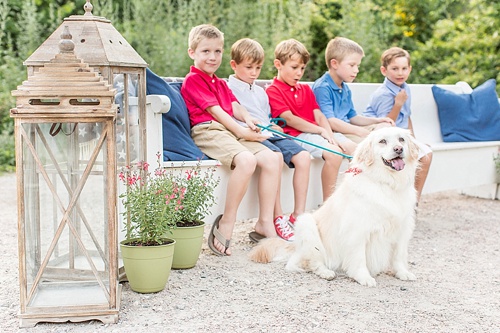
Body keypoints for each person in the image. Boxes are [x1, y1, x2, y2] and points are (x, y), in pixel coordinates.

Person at [180, 24, 290, 257]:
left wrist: (249, 121)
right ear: (192, 53)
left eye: (217, 51)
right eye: (205, 51)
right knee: (247, 160)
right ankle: (227, 221)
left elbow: (234, 107)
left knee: (273, 158)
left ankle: (264, 223)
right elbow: (217, 112)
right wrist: (242, 133)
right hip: (208, 130)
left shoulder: (219, 82)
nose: (212, 57)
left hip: (228, 129)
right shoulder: (193, 80)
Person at [227, 38, 311, 235]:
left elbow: (265, 117)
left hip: (269, 133)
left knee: (304, 156)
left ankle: (298, 215)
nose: (254, 73)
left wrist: (273, 125)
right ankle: (278, 217)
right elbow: (234, 118)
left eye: (258, 68)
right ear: (234, 65)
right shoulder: (228, 89)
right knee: (277, 158)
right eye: (249, 67)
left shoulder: (260, 92)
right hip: (251, 135)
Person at [266, 38, 344, 202]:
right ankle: (328, 204)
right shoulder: (273, 90)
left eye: (302, 68)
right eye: (294, 67)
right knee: (335, 154)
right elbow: (289, 119)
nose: (299, 73)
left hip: (313, 135)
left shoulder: (306, 89)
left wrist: (330, 136)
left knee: (347, 149)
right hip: (296, 136)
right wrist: (320, 131)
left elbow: (319, 116)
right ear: (278, 64)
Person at [364, 46, 433, 203]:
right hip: (382, 138)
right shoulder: (384, 94)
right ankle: (408, 201)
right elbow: (385, 126)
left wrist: (414, 141)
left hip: (399, 138)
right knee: (423, 157)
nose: (400, 73)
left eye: (404, 68)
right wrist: (397, 104)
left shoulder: (404, 88)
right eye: (395, 68)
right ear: (384, 70)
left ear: (410, 69)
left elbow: (407, 117)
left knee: (425, 154)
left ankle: (414, 200)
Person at [312, 37, 393, 154]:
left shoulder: (345, 88)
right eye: (352, 65)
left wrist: (377, 120)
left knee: (385, 127)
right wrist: (359, 131)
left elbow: (353, 117)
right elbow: (330, 121)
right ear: (334, 63)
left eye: (358, 66)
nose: (356, 70)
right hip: (337, 133)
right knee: (373, 147)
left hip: (349, 129)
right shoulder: (322, 87)